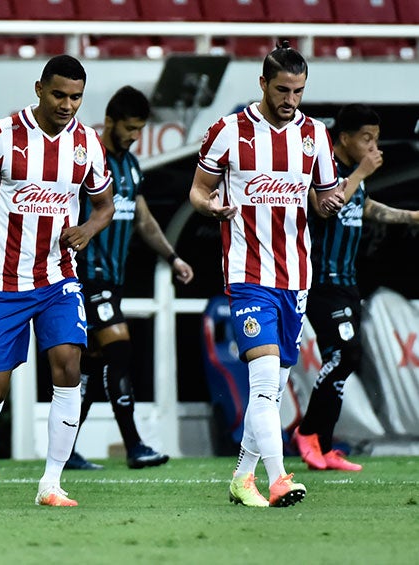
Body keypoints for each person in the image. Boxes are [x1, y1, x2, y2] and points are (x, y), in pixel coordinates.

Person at [0, 55, 114, 507]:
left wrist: (88, 228)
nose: (67, 105)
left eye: (76, 97)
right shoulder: (3, 135)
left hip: (58, 279)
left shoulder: (88, 144)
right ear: (39, 87)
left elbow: (104, 205)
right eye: (59, 94)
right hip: (3, 283)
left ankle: (52, 483)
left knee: (68, 367)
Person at [189, 41, 345, 508]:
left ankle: (242, 477)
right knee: (262, 384)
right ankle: (278, 478)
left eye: (298, 90)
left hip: (296, 277)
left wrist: (331, 203)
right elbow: (197, 191)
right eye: (282, 89)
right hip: (248, 273)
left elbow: (321, 199)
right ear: (262, 83)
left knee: (273, 389)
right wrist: (210, 208)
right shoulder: (228, 132)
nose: (290, 99)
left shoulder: (316, 135)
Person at [66, 86, 193, 471]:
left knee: (92, 363)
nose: (134, 136)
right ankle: (135, 445)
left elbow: (144, 220)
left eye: (139, 129)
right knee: (119, 347)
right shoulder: (85, 159)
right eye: (130, 128)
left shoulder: (132, 165)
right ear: (110, 122)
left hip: (114, 279)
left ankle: (65, 448)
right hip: (86, 275)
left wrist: (172, 257)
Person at [294, 104, 419, 472]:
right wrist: (363, 171)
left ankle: (326, 447)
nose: (372, 147)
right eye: (366, 139)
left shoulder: (353, 176)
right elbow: (326, 208)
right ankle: (307, 433)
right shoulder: (321, 167)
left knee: (348, 358)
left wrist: (410, 217)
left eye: (376, 140)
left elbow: (361, 207)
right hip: (320, 282)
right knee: (343, 355)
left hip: (347, 282)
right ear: (344, 138)